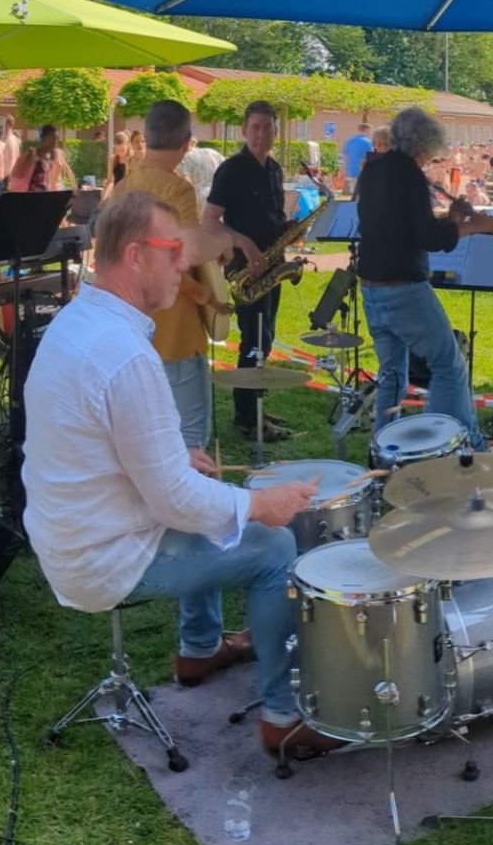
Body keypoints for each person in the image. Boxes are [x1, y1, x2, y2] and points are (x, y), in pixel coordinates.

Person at [21, 191, 336, 759]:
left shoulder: (77, 319)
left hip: (66, 533)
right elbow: (174, 502)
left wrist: (169, 455)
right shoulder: (125, 355)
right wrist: (259, 506)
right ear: (136, 255)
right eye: (175, 253)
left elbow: (95, 440)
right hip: (101, 558)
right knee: (271, 547)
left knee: (217, 508)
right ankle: (282, 720)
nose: (186, 266)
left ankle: (199, 649)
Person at [356, 108, 493, 442]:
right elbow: (429, 239)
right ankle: (446, 446)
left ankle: (383, 449)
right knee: (448, 366)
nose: (428, 160)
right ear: (424, 146)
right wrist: (472, 226)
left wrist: (452, 218)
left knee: (393, 373)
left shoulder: (373, 169)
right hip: (403, 289)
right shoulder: (409, 174)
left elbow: (402, 229)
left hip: (371, 288)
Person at [111, 101, 227, 453]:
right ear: (187, 141)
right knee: (191, 445)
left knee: (146, 445)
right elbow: (179, 259)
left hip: (133, 333)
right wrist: (206, 295)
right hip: (175, 332)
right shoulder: (178, 190)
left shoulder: (123, 188)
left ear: (145, 137)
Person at [201, 100, 294, 442]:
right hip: (246, 270)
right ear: (244, 130)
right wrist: (243, 243)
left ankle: (254, 404)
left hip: (272, 266)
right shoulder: (232, 169)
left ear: (275, 131)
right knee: (252, 343)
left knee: (265, 339)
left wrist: (290, 227)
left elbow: (271, 216)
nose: (260, 134)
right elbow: (210, 222)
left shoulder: (274, 169)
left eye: (267, 127)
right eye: (254, 127)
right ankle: (245, 418)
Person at [7, 125, 74, 193]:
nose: (55, 142)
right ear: (44, 139)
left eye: (56, 139)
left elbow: (67, 171)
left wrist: (74, 188)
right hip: (31, 195)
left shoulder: (56, 154)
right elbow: (19, 174)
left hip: (47, 195)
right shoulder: (32, 154)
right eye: (52, 138)